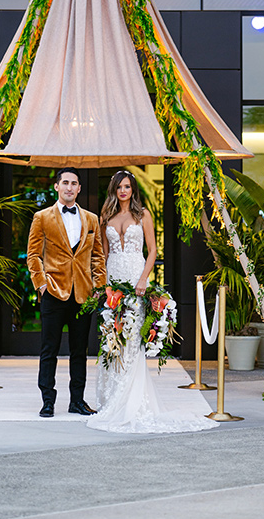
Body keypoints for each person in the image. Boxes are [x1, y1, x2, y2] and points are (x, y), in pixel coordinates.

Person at [86, 170, 216, 434]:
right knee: (112, 337)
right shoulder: (106, 217)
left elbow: (153, 250)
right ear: (113, 190)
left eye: (127, 187)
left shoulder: (142, 214)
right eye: (119, 187)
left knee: (132, 340)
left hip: (136, 281)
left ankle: (131, 400)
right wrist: (102, 285)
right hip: (113, 280)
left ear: (133, 189)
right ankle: (112, 398)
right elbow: (104, 252)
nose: (123, 191)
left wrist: (144, 279)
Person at [27, 168, 107, 418]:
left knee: (79, 351)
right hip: (53, 292)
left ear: (79, 188)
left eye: (74, 183)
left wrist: (99, 287)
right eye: (65, 183)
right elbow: (33, 256)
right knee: (49, 349)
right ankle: (47, 401)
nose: (69, 187)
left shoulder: (92, 219)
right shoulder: (42, 217)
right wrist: (41, 285)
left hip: (83, 294)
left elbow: (98, 256)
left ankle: (77, 401)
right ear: (57, 187)